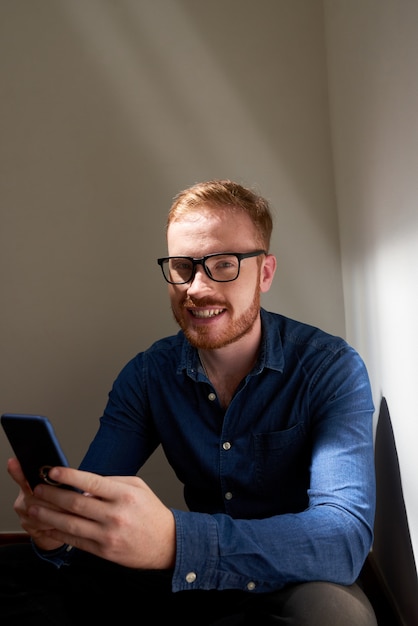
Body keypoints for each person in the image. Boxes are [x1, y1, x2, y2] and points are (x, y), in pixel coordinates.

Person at [0, 179, 377, 625]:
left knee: (337, 617)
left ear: (266, 273)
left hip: (294, 578)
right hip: (186, 579)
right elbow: (94, 500)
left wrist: (177, 541)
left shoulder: (330, 368)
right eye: (182, 267)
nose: (196, 288)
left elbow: (343, 539)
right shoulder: (147, 375)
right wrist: (57, 531)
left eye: (224, 264)